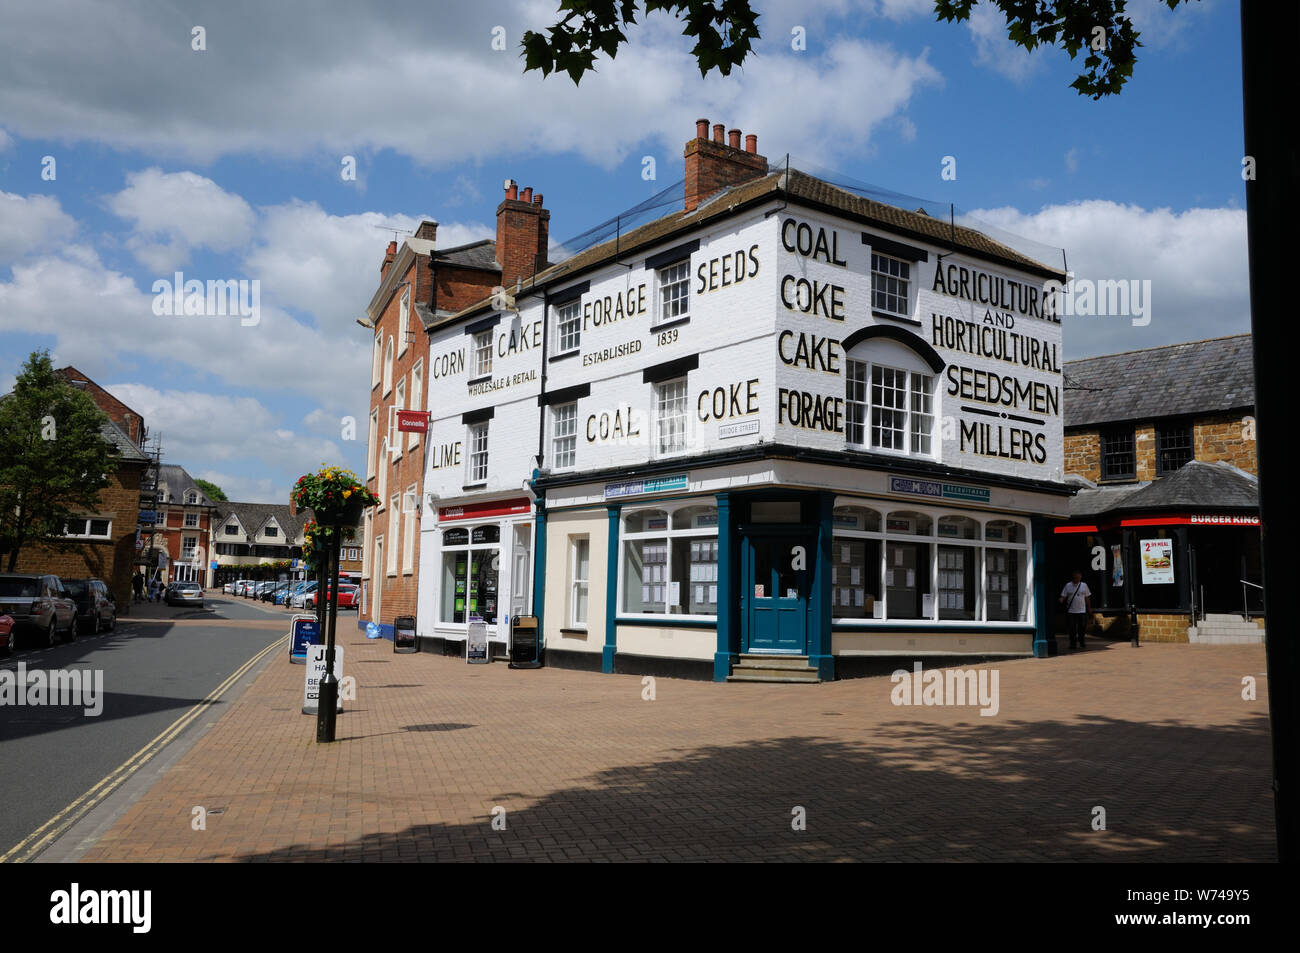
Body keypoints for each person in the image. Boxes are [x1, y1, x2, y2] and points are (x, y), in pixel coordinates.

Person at [1059, 569, 1092, 650]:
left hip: (1082, 610)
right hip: (1071, 611)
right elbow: (1063, 595)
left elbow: (1087, 597)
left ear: (1080, 577)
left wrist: (1089, 608)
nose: (1076, 579)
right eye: (1075, 578)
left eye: (1078, 578)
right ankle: (1073, 644)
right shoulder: (1068, 585)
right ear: (1073, 577)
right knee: (1072, 628)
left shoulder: (1084, 585)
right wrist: (1061, 599)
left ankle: (1081, 642)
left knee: (1082, 627)